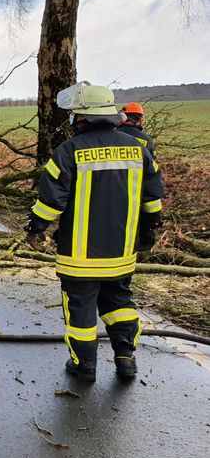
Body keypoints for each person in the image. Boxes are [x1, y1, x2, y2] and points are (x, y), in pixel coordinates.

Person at [25, 81, 164, 382]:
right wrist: (152, 227)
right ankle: (125, 357)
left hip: (79, 257)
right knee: (119, 302)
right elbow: (153, 198)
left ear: (82, 117)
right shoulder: (138, 149)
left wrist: (35, 229)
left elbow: (50, 203)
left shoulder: (69, 151)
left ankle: (84, 366)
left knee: (81, 312)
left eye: (74, 114)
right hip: (121, 253)